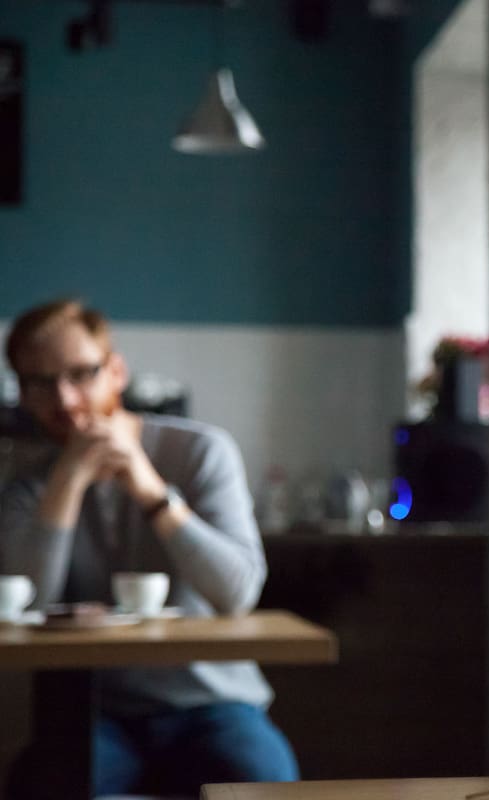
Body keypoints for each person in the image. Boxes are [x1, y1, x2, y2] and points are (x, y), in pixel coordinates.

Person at [0, 299, 298, 798]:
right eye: (40, 382)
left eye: (81, 374)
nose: (65, 398)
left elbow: (237, 593)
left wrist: (150, 488)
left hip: (214, 702)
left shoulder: (203, 451)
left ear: (116, 371)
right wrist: (67, 480)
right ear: (22, 395)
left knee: (266, 784)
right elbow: (24, 605)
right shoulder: (26, 482)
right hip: (94, 709)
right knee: (44, 785)